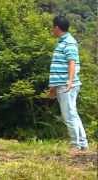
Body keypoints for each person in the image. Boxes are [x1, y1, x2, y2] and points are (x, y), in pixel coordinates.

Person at [49, 15, 88, 154]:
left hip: (67, 85)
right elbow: (58, 66)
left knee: (68, 115)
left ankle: (75, 144)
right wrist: (53, 87)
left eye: (53, 27)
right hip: (62, 85)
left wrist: (69, 81)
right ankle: (82, 143)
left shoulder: (69, 42)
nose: (52, 30)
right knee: (72, 113)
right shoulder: (62, 42)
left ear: (57, 28)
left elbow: (72, 62)